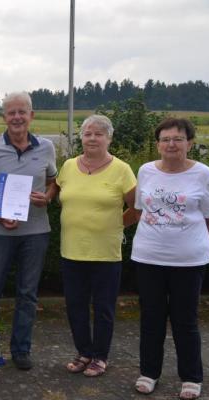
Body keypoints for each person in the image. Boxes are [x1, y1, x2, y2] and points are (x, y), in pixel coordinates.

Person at [0, 92, 58, 371]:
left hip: (36, 232)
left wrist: (47, 197)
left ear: (31, 115)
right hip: (0, 232)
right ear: (4, 117)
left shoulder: (47, 147)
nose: (17, 117)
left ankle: (21, 349)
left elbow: (54, 182)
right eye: (11, 112)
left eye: (22, 112)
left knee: (27, 293)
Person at [131, 118, 209, 400]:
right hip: (148, 257)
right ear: (158, 144)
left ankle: (191, 377)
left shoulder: (203, 174)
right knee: (151, 318)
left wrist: (192, 243)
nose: (171, 144)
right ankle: (149, 373)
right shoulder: (146, 171)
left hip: (188, 262)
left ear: (189, 143)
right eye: (166, 139)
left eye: (178, 139)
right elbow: (140, 210)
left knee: (185, 320)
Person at [54, 114, 137, 377]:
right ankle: (83, 353)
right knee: (75, 306)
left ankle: (100, 357)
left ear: (109, 138)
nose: (92, 138)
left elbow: (136, 207)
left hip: (105, 253)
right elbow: (59, 196)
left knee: (103, 308)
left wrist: (116, 225)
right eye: (88, 133)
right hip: (71, 250)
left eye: (99, 134)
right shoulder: (68, 166)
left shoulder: (122, 170)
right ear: (82, 138)